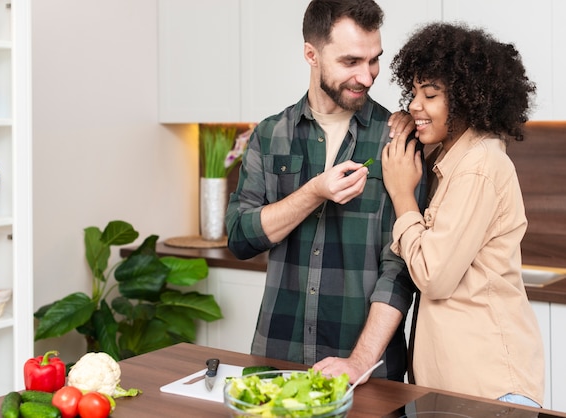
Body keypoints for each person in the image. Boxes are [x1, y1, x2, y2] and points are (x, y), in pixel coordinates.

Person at [225, 0, 426, 384]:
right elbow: (240, 237)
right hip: (278, 356)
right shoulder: (269, 134)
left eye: (374, 60)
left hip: (369, 372)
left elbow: (400, 268)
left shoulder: (397, 139)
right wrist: (314, 191)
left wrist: (359, 361)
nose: (367, 77)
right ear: (311, 54)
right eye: (351, 62)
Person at [381, 22, 544, 407]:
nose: (415, 105)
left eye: (431, 95)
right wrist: (413, 129)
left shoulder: (478, 165)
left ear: (469, 100)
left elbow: (434, 277)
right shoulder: (452, 160)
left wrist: (403, 196)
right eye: (414, 93)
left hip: (487, 388)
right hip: (456, 389)